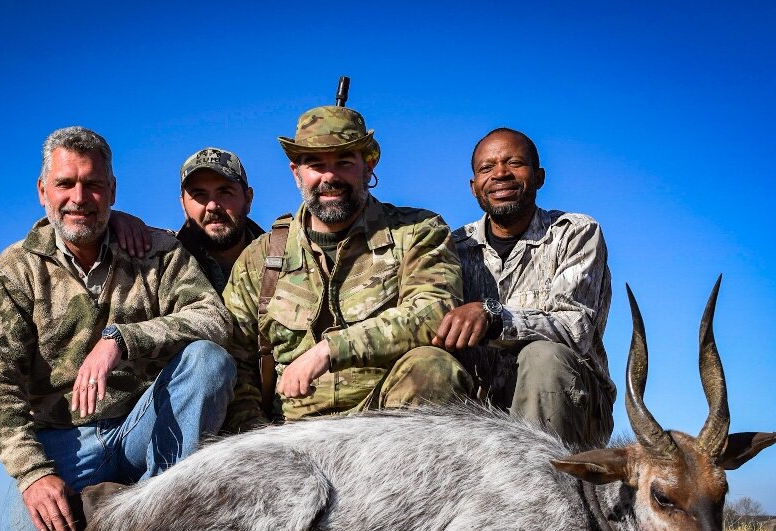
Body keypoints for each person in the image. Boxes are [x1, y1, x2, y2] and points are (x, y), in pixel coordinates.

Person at [0, 126, 236, 531]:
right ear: (43, 191)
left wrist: (121, 340)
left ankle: (162, 512)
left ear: (111, 190)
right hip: (64, 441)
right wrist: (34, 475)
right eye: (65, 184)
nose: (80, 197)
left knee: (208, 360)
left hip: (142, 426)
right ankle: (118, 504)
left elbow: (214, 319)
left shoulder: (157, 250)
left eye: (93, 184)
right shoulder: (14, 269)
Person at [222, 102, 471, 431]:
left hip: (386, 424)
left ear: (368, 167)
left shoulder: (417, 232)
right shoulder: (262, 257)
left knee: (433, 368)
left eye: (343, 162)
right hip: (291, 434)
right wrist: (256, 437)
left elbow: (435, 311)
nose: (329, 177)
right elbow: (234, 356)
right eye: (315, 164)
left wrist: (331, 349)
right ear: (295, 172)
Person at [433, 128, 615, 449]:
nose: (500, 174)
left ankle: (541, 490)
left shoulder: (575, 234)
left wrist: (494, 318)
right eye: (486, 168)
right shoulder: (452, 247)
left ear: (539, 176)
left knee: (543, 356)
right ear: (473, 186)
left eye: (514, 163)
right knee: (427, 361)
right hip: (483, 406)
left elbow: (575, 329)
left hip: (569, 404)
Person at [176, 148, 264, 293]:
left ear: (248, 199)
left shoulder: (286, 257)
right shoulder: (160, 264)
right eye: (199, 195)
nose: (212, 206)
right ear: (183, 205)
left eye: (224, 193)